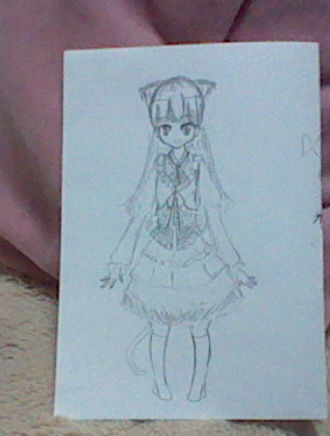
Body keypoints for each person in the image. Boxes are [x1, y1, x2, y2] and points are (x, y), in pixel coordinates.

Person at [101, 76, 256, 402]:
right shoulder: (154, 168)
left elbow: (215, 221)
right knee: (159, 327)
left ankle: (198, 387)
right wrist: (119, 261)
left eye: (186, 127)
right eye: (165, 128)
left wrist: (234, 265)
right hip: (158, 256)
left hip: (196, 256)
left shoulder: (201, 167)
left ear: (196, 128)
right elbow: (140, 218)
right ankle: (160, 385)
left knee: (200, 327)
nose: (175, 135)